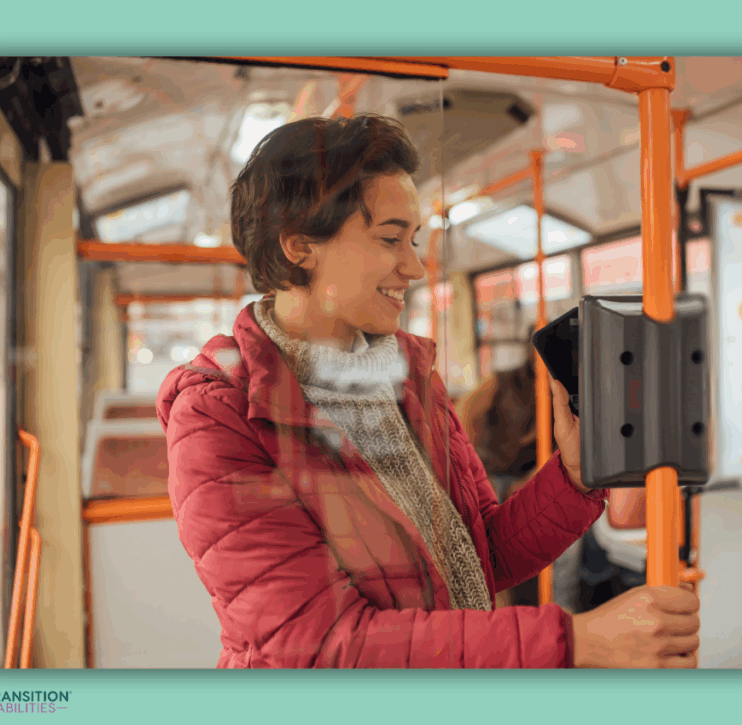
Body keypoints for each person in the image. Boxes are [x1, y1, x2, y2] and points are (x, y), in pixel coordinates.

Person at [156, 113, 699, 668]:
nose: (415, 267)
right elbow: (314, 643)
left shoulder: (409, 378)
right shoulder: (219, 414)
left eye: (413, 240)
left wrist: (573, 478)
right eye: (390, 239)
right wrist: (576, 640)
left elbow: (482, 556)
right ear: (299, 246)